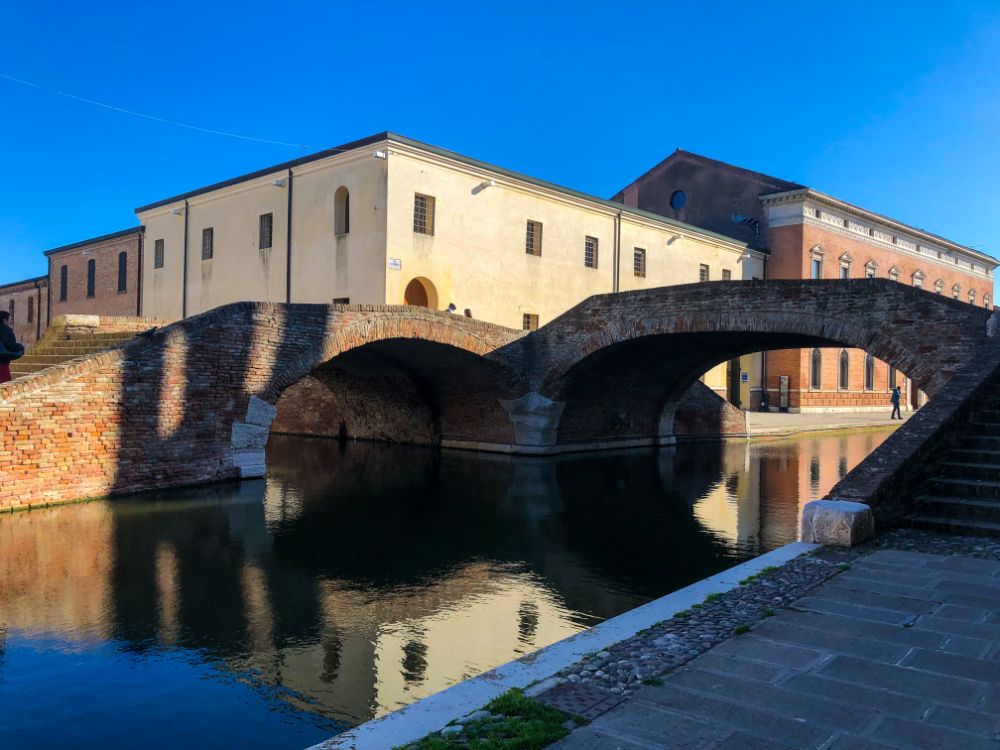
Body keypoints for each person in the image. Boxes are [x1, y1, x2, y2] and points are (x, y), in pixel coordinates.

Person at [0, 310, 25, 384]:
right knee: (5, 388)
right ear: (4, 320)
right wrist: (21, 347)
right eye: (10, 320)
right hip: (2, 364)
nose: (10, 323)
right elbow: (11, 346)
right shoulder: (6, 331)